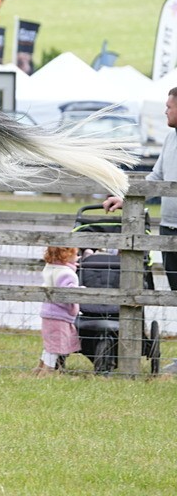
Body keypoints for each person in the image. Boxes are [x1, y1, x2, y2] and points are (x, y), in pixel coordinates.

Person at [103, 85, 177, 374]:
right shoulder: (171, 139)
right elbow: (156, 177)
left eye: (169, 105)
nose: (165, 110)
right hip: (169, 230)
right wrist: (126, 197)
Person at [34, 246, 81, 375]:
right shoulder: (66, 273)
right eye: (75, 255)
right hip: (60, 314)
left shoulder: (50, 268)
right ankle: (47, 371)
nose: (77, 257)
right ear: (66, 255)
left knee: (50, 343)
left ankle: (39, 370)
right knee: (55, 346)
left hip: (48, 311)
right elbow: (67, 293)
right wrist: (81, 291)